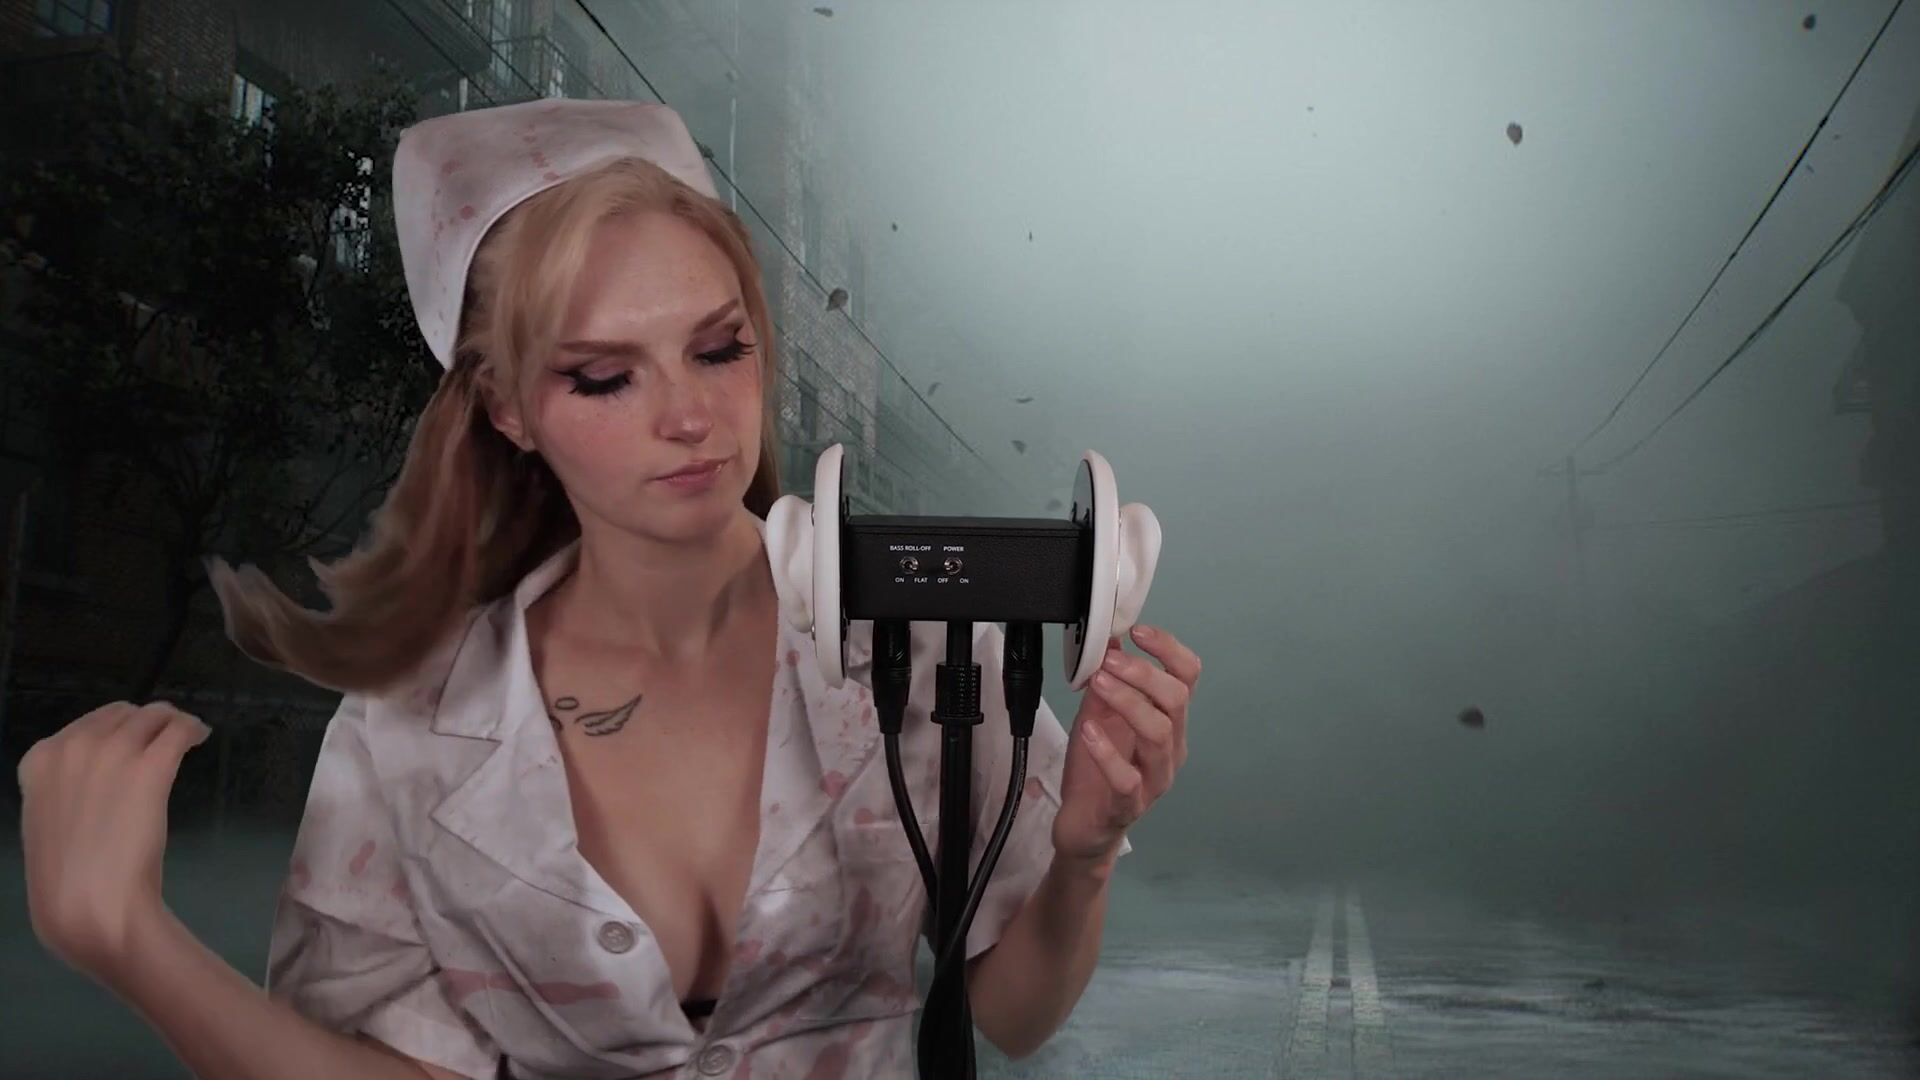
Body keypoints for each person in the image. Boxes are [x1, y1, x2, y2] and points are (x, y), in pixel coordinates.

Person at [17, 98, 1203, 1078]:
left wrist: (1084, 853)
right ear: (506, 407)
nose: (688, 416)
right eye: (602, 376)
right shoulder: (410, 724)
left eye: (719, 349)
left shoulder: (926, 647)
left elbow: (1011, 1016)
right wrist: (136, 947)